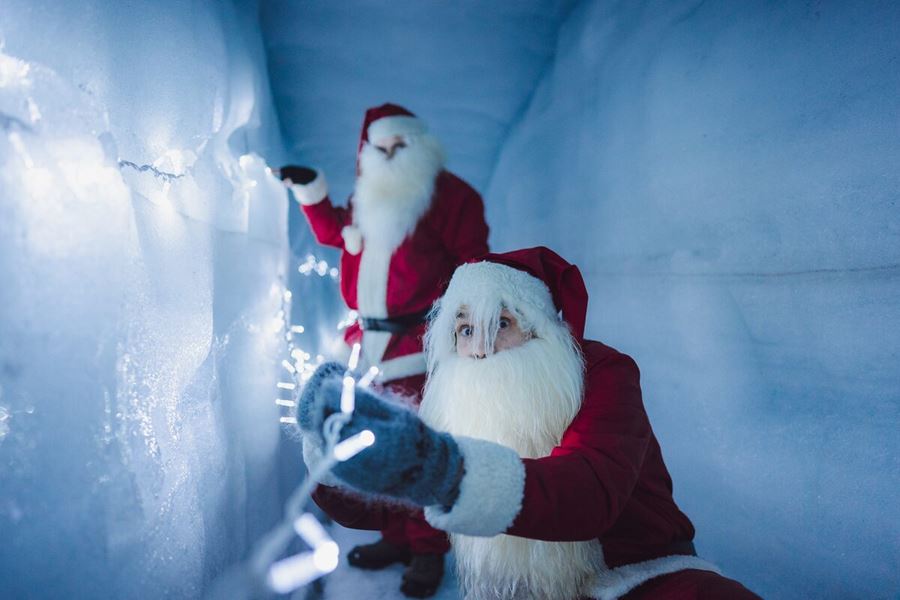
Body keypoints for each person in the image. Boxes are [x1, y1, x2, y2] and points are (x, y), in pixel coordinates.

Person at [297, 247, 761, 600]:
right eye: (464, 329)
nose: (480, 349)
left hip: (639, 579)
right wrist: (334, 455)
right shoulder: (454, 404)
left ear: (541, 330)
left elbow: (590, 491)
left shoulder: (602, 372)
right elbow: (393, 506)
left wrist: (443, 471)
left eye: (500, 323)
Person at [279, 103, 489, 598]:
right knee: (374, 448)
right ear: (368, 151)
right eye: (382, 148)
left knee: (415, 450)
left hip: (416, 345)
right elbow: (336, 232)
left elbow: (475, 265)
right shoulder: (367, 197)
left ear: (419, 147)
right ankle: (397, 538)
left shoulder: (452, 197)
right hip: (365, 347)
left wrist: (464, 336)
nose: (392, 156)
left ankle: (429, 550)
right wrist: (312, 191)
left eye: (401, 146)